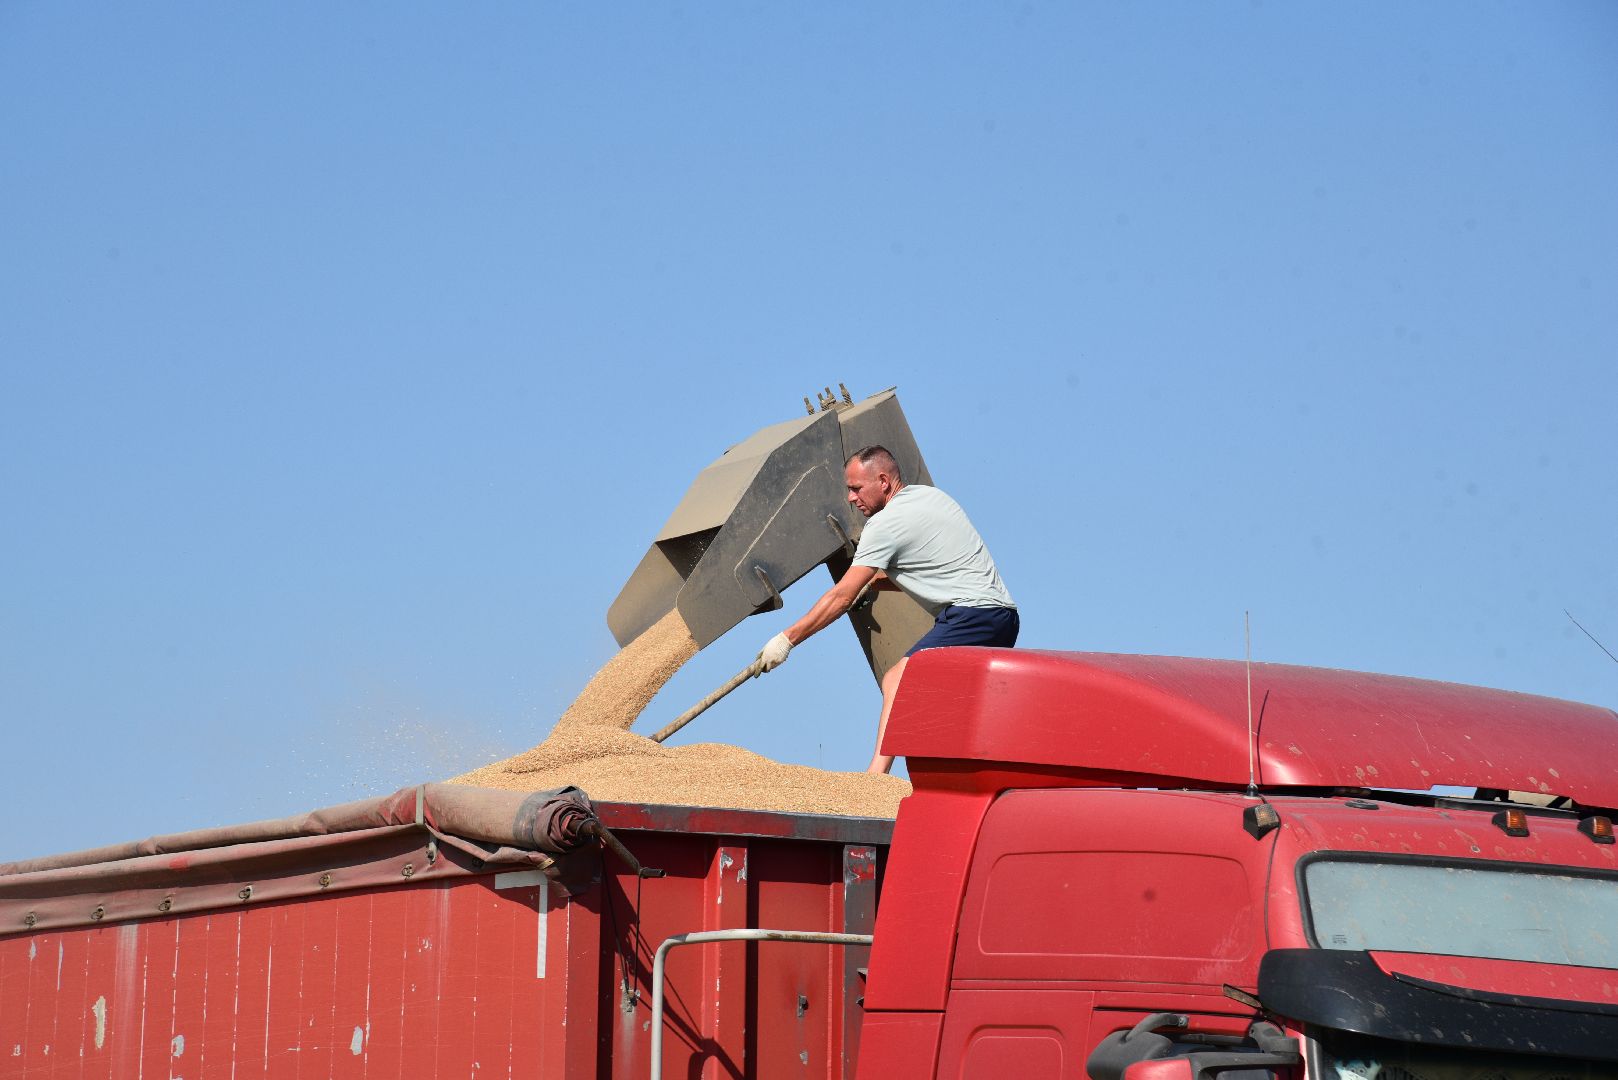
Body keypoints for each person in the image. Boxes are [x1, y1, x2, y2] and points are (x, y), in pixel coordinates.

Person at [755, 445, 1017, 773]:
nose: (850, 498)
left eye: (855, 488)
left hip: (972, 615)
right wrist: (874, 582)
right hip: (1002, 617)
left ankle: (874, 778)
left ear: (882, 481)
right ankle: (941, 782)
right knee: (938, 707)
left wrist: (786, 640)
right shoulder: (929, 498)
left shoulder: (885, 525)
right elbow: (933, 569)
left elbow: (841, 597)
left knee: (898, 679)